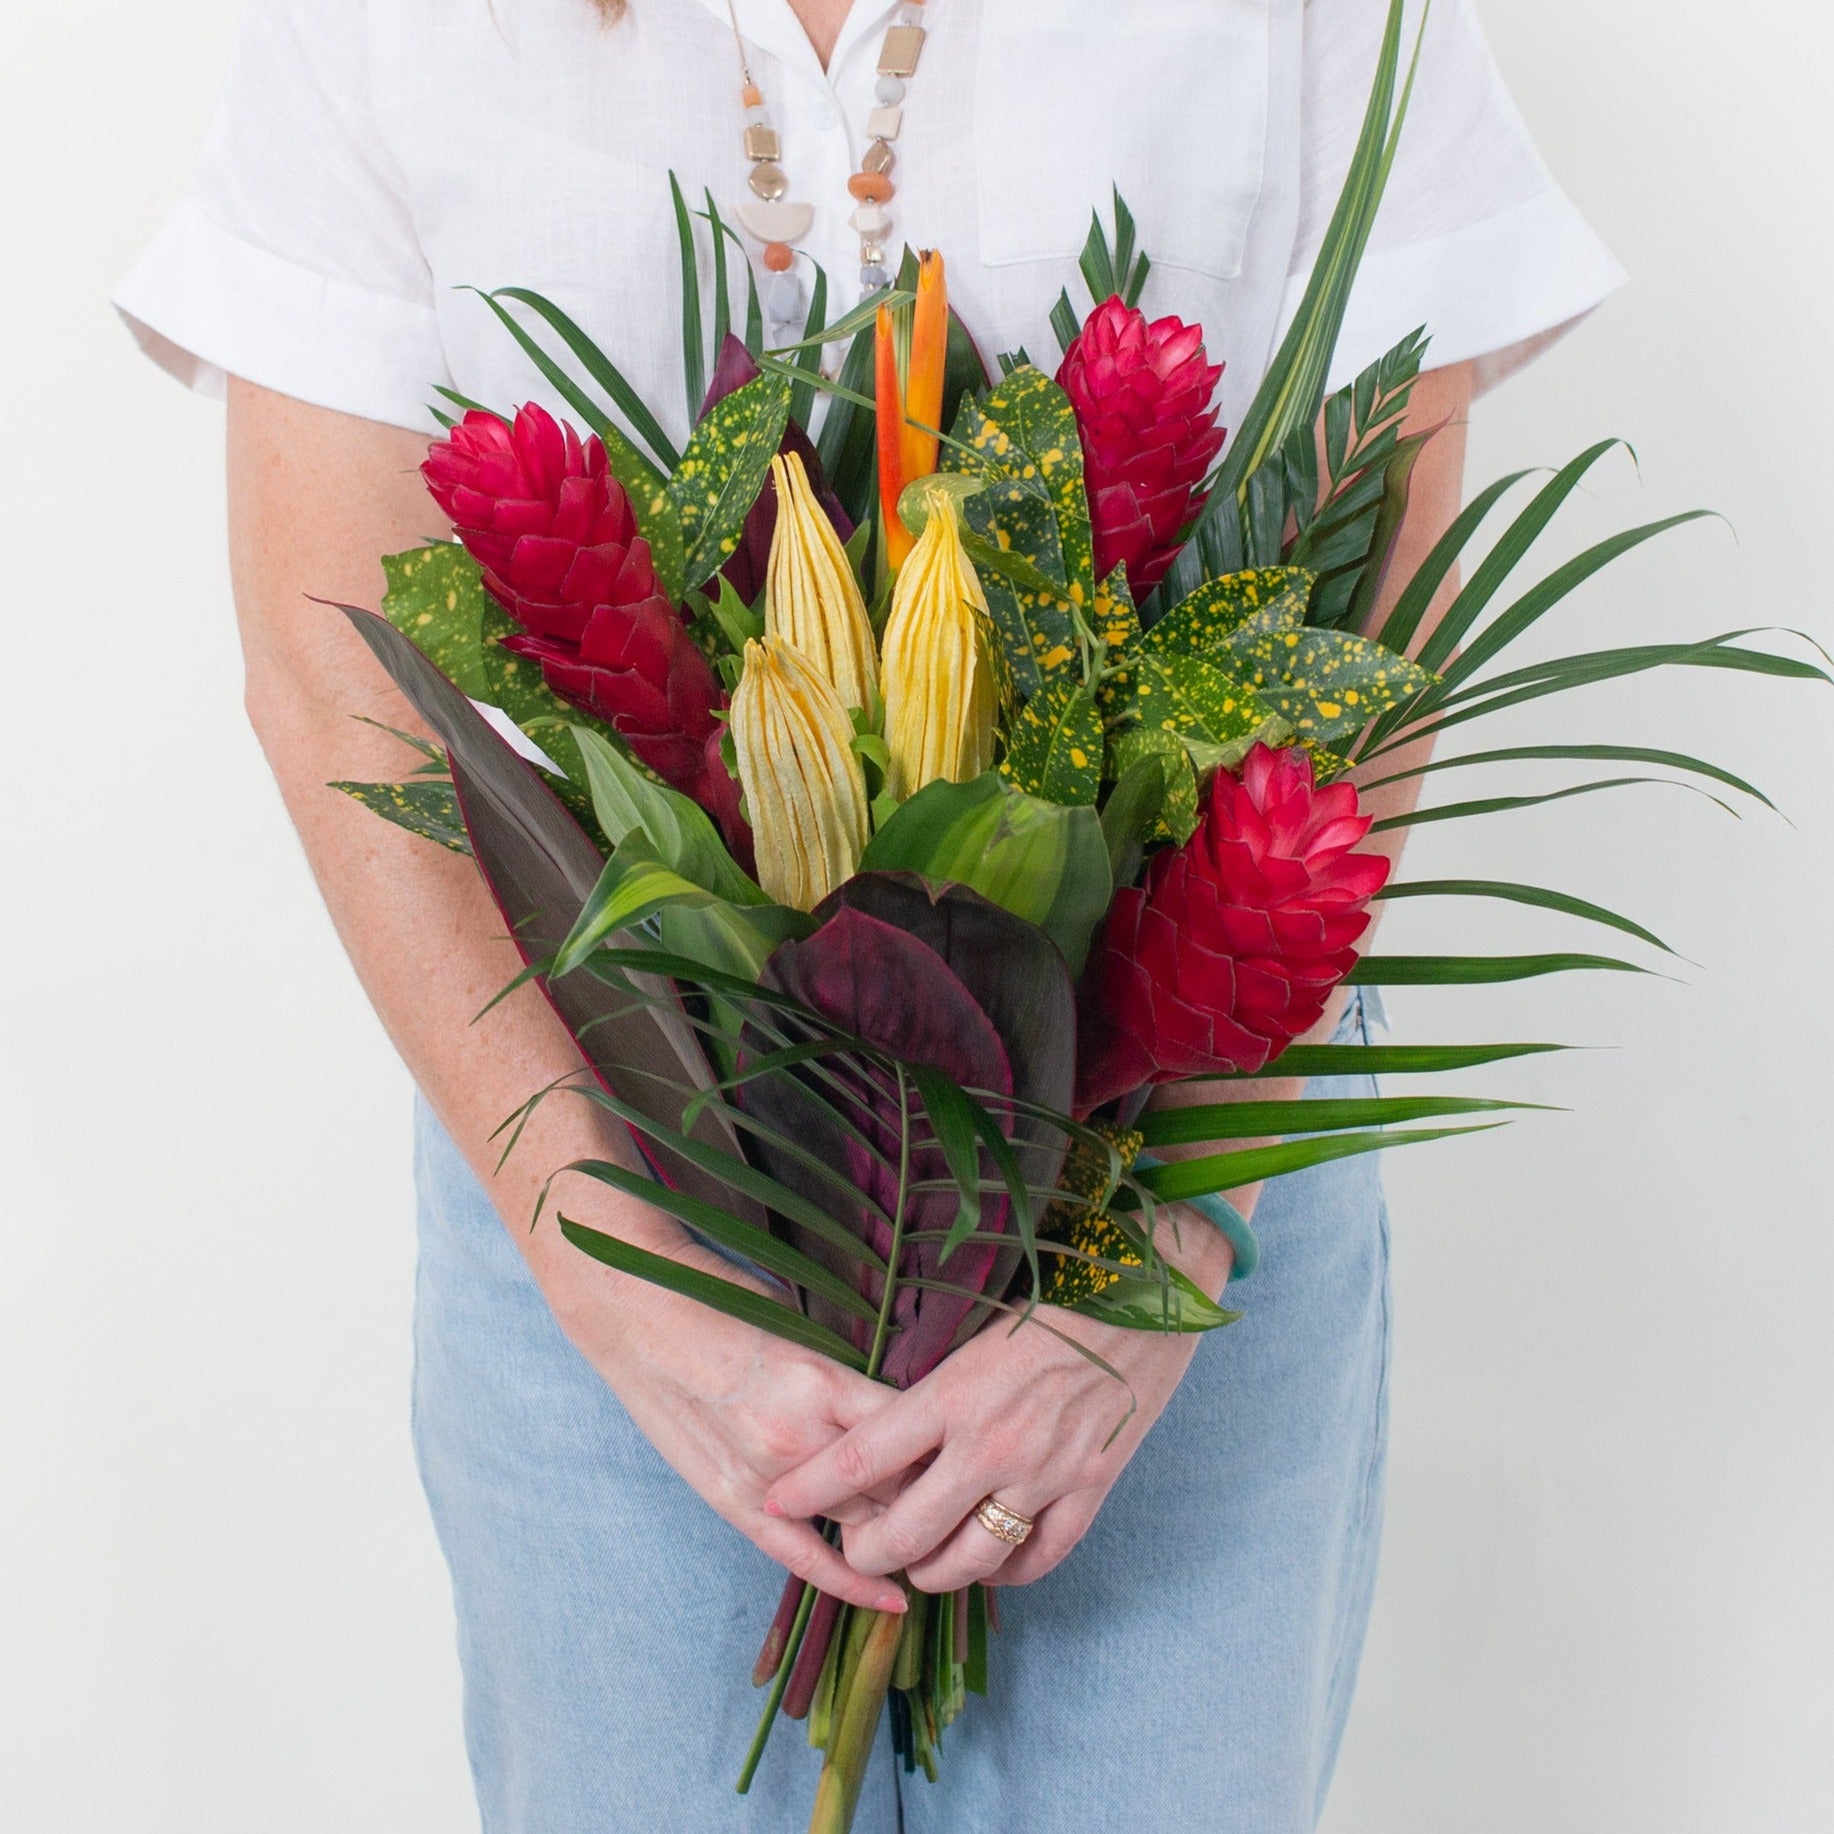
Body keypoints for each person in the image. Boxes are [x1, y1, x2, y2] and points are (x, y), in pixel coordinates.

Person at [115, 2, 1622, 1827]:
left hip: (1175, 1157)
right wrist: (623, 1292)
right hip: (607, 1148)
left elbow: (1372, 606)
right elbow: (330, 658)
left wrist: (1151, 1264)